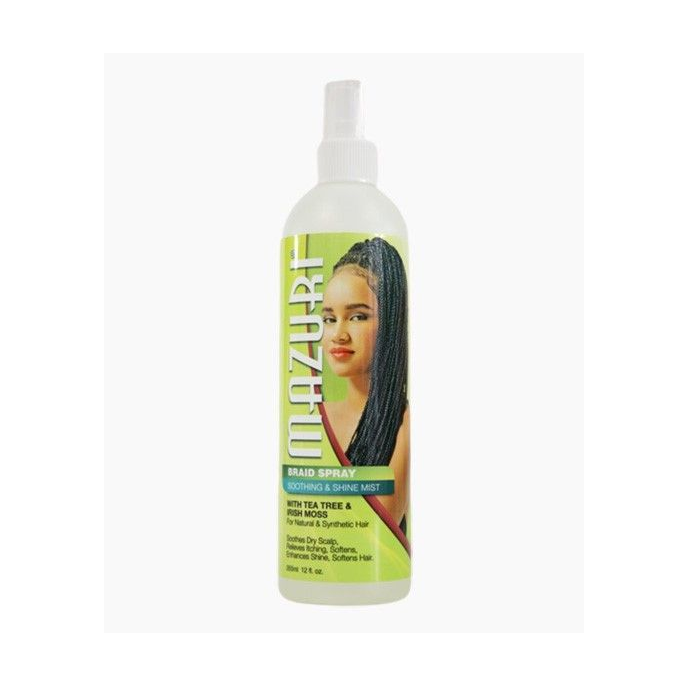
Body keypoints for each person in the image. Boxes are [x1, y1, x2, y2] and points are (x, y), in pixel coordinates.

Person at [321, 238, 409, 528]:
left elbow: (377, 528)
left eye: (358, 316)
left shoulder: (406, 424)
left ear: (391, 321)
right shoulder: (313, 418)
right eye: (329, 318)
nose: (339, 335)